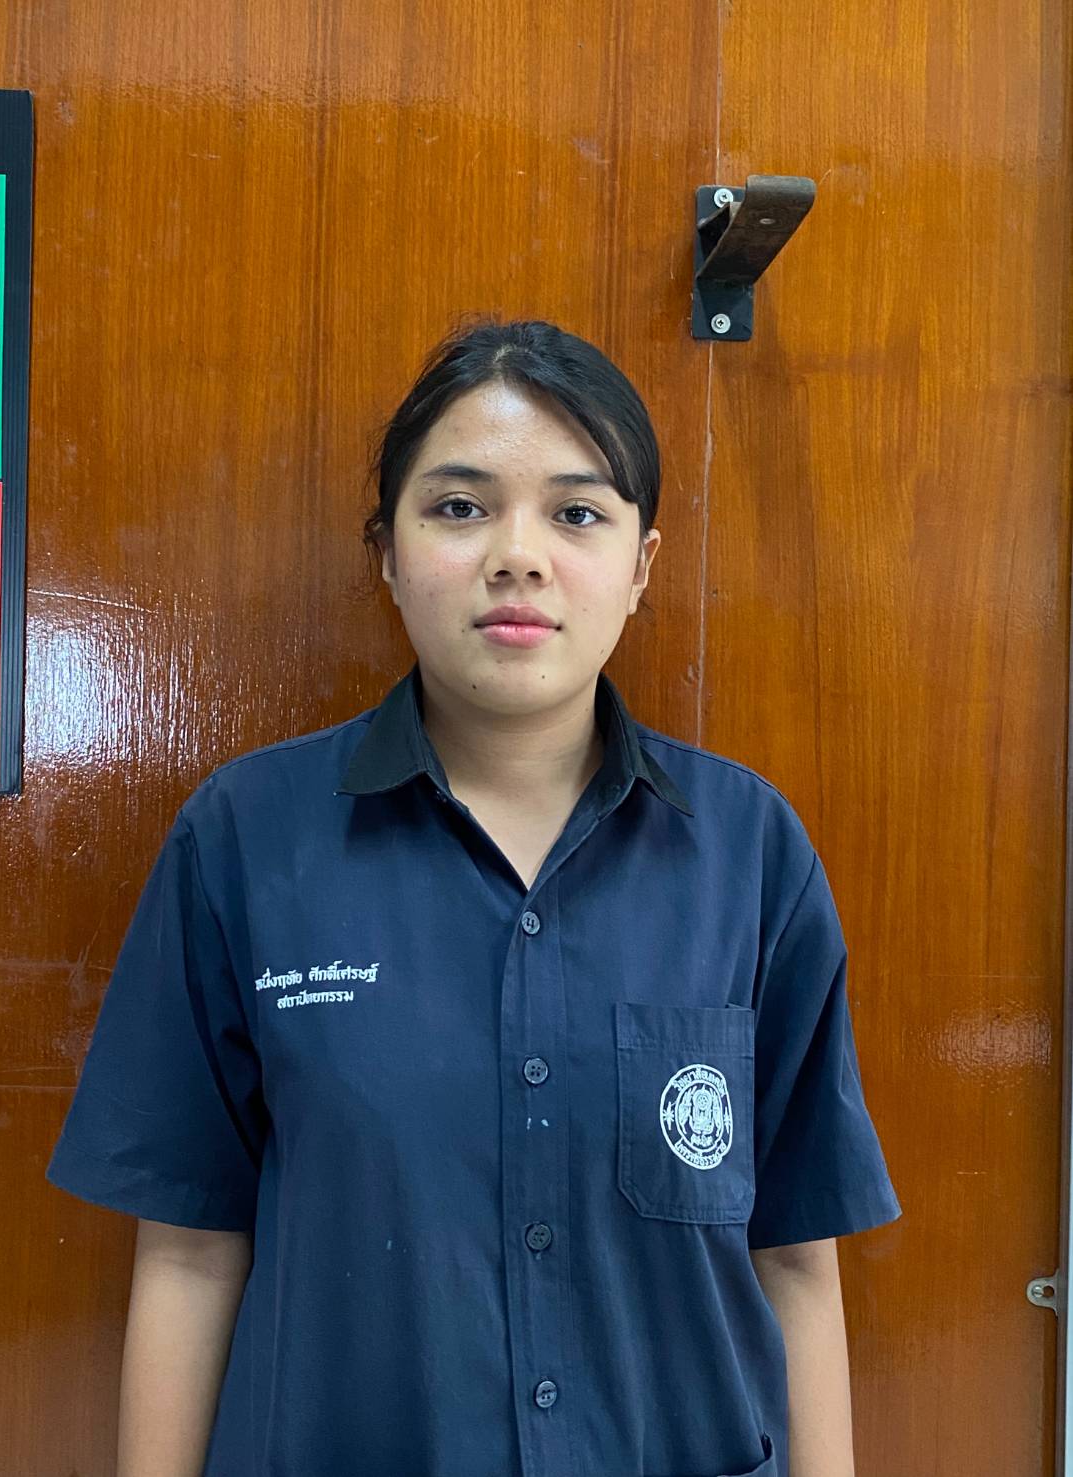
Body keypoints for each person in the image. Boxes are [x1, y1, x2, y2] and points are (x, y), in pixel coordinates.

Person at [46, 316, 902, 1477]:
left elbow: (795, 1256)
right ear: (387, 555)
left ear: (642, 566)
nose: (518, 555)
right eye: (458, 507)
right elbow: (192, 1251)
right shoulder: (246, 839)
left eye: (577, 513)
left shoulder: (748, 854)